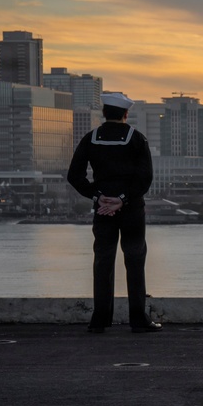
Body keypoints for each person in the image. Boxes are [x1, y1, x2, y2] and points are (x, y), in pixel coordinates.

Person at [67, 92, 160, 333]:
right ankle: (139, 320)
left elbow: (74, 175)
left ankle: (99, 320)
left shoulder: (91, 138)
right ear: (126, 114)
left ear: (104, 113)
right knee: (135, 260)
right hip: (131, 211)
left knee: (103, 261)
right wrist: (122, 199)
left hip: (103, 209)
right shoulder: (137, 139)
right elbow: (145, 178)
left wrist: (98, 197)